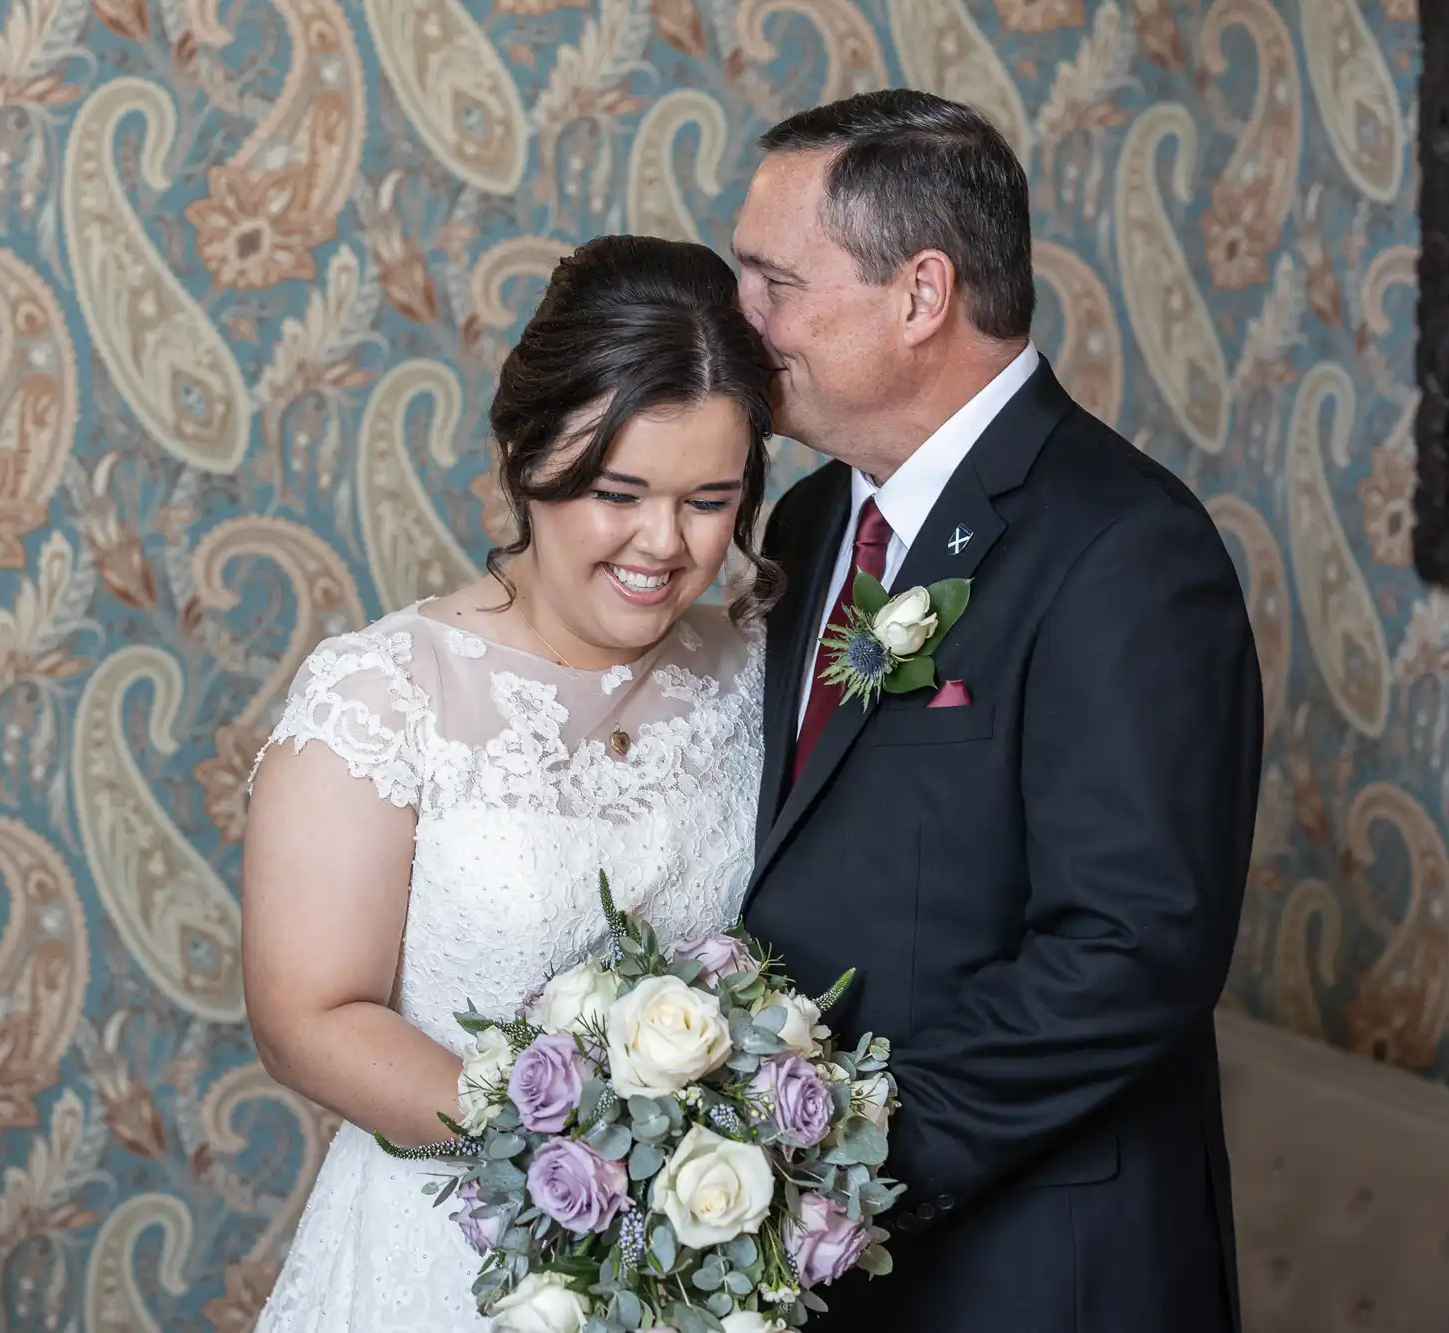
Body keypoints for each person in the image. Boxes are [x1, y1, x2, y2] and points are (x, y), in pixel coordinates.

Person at [733, 90, 1264, 1332]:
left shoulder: (1126, 548)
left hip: (1035, 1267)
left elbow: (1130, 950)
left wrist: (831, 1167)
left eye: (771, 282)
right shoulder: (811, 523)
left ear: (920, 295)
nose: (737, 319)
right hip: (825, 1263)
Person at [241, 234, 778, 1331]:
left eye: (707, 499)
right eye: (615, 490)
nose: (661, 545)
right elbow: (307, 1015)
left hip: (698, 1269)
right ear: (525, 455)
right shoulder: (382, 693)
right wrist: (586, 1154)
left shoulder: (758, 670)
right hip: (443, 1258)